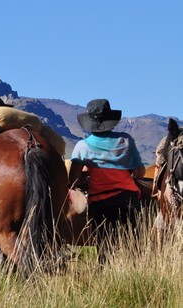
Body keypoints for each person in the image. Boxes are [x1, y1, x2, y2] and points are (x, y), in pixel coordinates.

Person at [68, 99, 145, 263]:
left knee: (104, 248)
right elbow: (139, 173)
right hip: (127, 200)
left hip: (99, 204)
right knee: (135, 248)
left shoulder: (82, 146)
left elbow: (73, 181)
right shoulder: (125, 140)